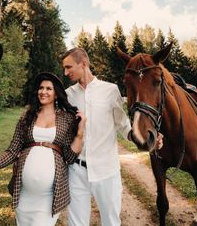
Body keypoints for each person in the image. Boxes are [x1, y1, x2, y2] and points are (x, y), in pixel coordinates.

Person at [0, 72, 86, 226]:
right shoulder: (27, 117)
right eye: (41, 88)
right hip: (24, 194)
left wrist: (80, 133)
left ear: (56, 94)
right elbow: (11, 152)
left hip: (49, 196)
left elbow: (70, 157)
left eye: (49, 89)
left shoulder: (67, 119)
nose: (43, 92)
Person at [62, 47, 163, 226]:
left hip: (106, 170)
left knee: (110, 221)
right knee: (76, 223)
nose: (66, 72)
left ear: (83, 64)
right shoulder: (68, 95)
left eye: (69, 67)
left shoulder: (110, 90)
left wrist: (143, 139)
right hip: (76, 171)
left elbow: (123, 126)